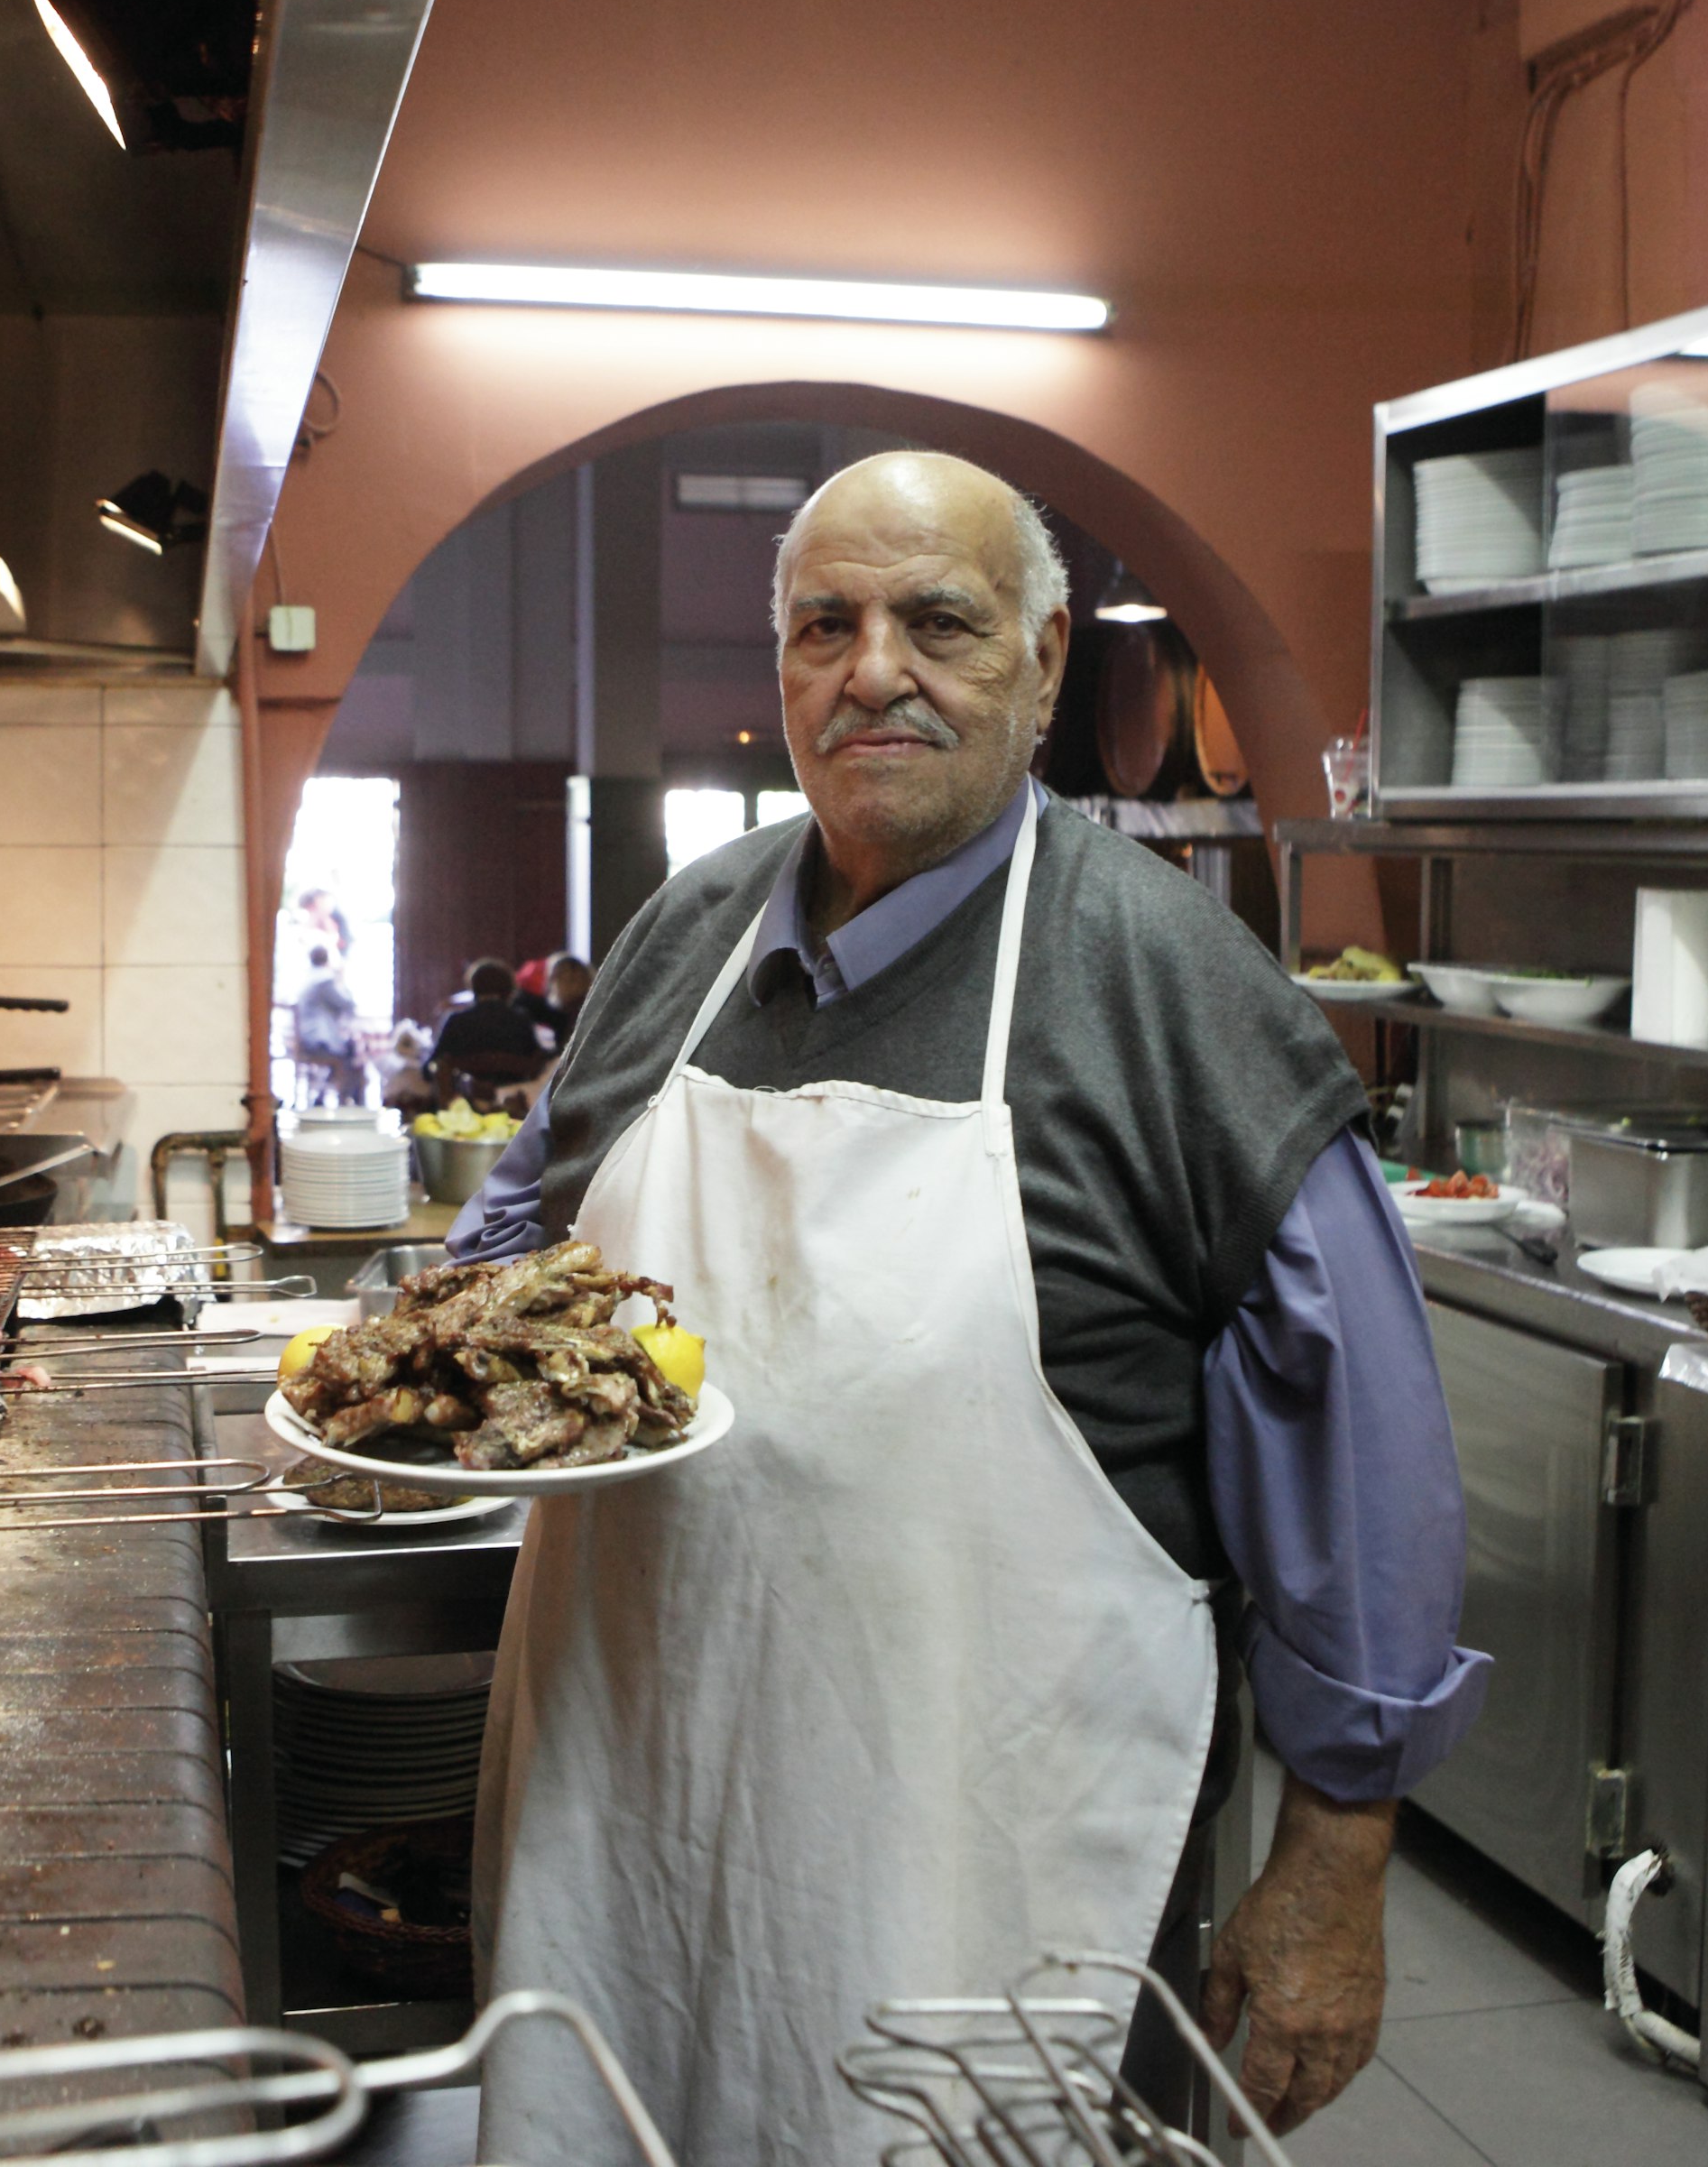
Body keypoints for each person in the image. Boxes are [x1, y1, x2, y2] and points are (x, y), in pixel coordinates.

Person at [452, 452, 1484, 2162]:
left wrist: (1335, 1865)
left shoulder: (1171, 992)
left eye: (939, 622)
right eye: (824, 626)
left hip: (986, 1871)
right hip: (634, 1817)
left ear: (1047, 659)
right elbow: (519, 1244)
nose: (874, 672)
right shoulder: (677, 937)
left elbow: (1360, 1465)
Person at [428, 958, 549, 1070]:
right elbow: (537, 1063)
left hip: (465, 1092)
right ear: (509, 989)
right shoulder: (521, 1019)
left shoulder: (456, 1021)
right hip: (517, 1091)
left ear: (473, 987)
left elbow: (430, 1068)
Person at [289, 945, 365, 1104]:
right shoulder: (325, 980)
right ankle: (347, 1098)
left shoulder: (308, 976)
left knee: (349, 1051)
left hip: (307, 1036)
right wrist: (341, 978)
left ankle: (323, 1091)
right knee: (352, 1053)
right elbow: (346, 1003)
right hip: (320, 1040)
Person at [516, 953, 593, 1049]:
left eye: (575, 978)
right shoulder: (537, 1011)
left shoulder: (590, 1014)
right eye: (563, 976)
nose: (570, 984)